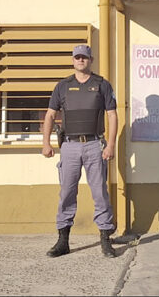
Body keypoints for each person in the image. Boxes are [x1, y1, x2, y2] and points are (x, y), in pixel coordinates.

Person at [41, 44, 118, 258]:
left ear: (91, 60)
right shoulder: (63, 86)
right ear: (73, 60)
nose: (81, 60)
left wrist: (111, 145)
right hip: (70, 146)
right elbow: (50, 115)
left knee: (100, 192)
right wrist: (46, 143)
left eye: (84, 57)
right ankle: (63, 241)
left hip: (94, 145)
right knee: (67, 192)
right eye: (77, 57)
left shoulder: (101, 85)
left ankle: (105, 239)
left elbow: (112, 115)